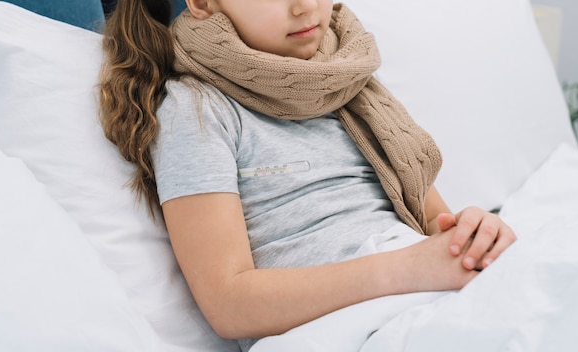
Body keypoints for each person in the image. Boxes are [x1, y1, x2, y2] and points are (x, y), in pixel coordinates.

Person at [99, 0, 517, 350]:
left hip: (425, 297)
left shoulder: (343, 79)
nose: (305, 7)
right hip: (340, 329)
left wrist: (474, 235)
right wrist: (405, 269)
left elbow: (433, 225)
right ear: (205, 3)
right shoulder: (197, 111)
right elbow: (227, 302)